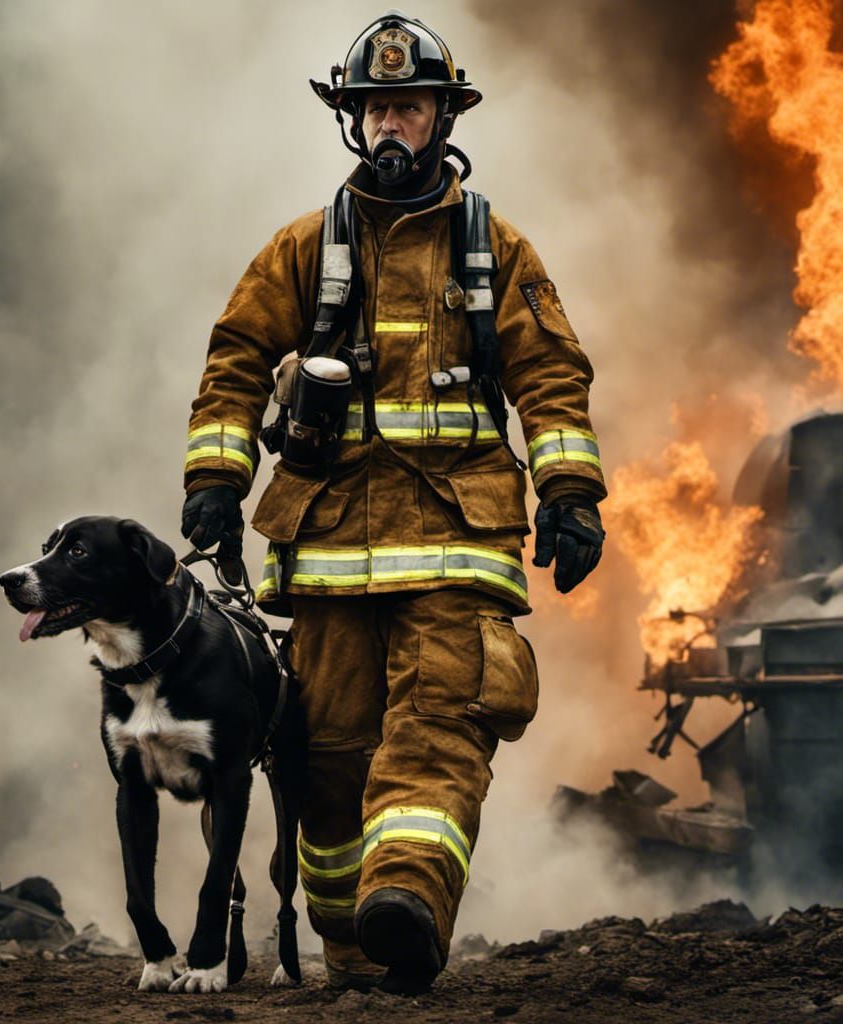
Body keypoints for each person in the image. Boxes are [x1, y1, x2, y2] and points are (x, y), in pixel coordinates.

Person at [181, 11, 606, 995]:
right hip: (326, 548)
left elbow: (549, 376)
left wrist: (571, 493)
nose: (391, 128)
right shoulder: (302, 249)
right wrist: (214, 479)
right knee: (325, 757)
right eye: (375, 109)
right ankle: (353, 937)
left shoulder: (494, 247)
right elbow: (235, 359)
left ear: (443, 114)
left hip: (458, 546)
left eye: (408, 107)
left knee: (436, 725)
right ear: (350, 117)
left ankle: (407, 896)